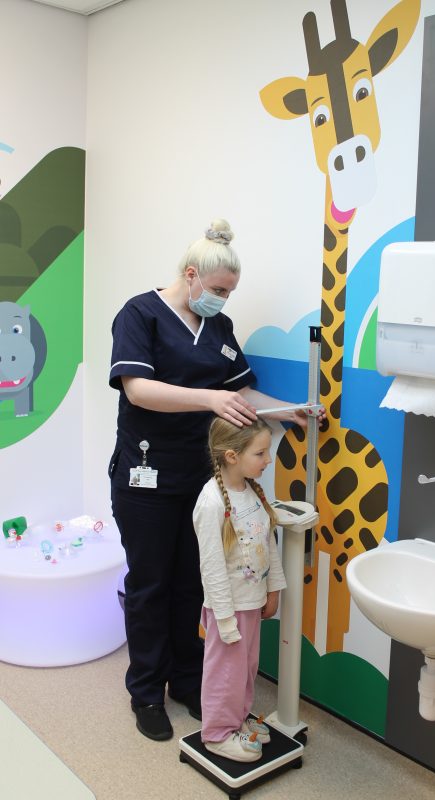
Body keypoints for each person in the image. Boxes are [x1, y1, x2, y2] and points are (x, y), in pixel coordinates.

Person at [108, 218, 320, 742]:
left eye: (230, 293)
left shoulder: (219, 331)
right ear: (191, 275)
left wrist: (289, 412)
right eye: (219, 290)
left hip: (203, 483)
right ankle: (146, 692)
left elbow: (242, 395)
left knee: (192, 583)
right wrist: (207, 399)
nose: (223, 301)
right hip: (147, 475)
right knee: (151, 585)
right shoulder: (140, 314)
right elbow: (137, 389)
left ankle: (186, 679)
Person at [193, 416, 285, 762]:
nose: (268, 460)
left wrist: (273, 590)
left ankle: (237, 718)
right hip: (227, 608)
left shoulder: (252, 492)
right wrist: (225, 619)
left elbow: (268, 544)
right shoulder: (211, 502)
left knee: (246, 667)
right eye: (261, 453)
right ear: (232, 456)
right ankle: (216, 733)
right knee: (225, 672)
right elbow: (212, 567)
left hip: (251, 602)